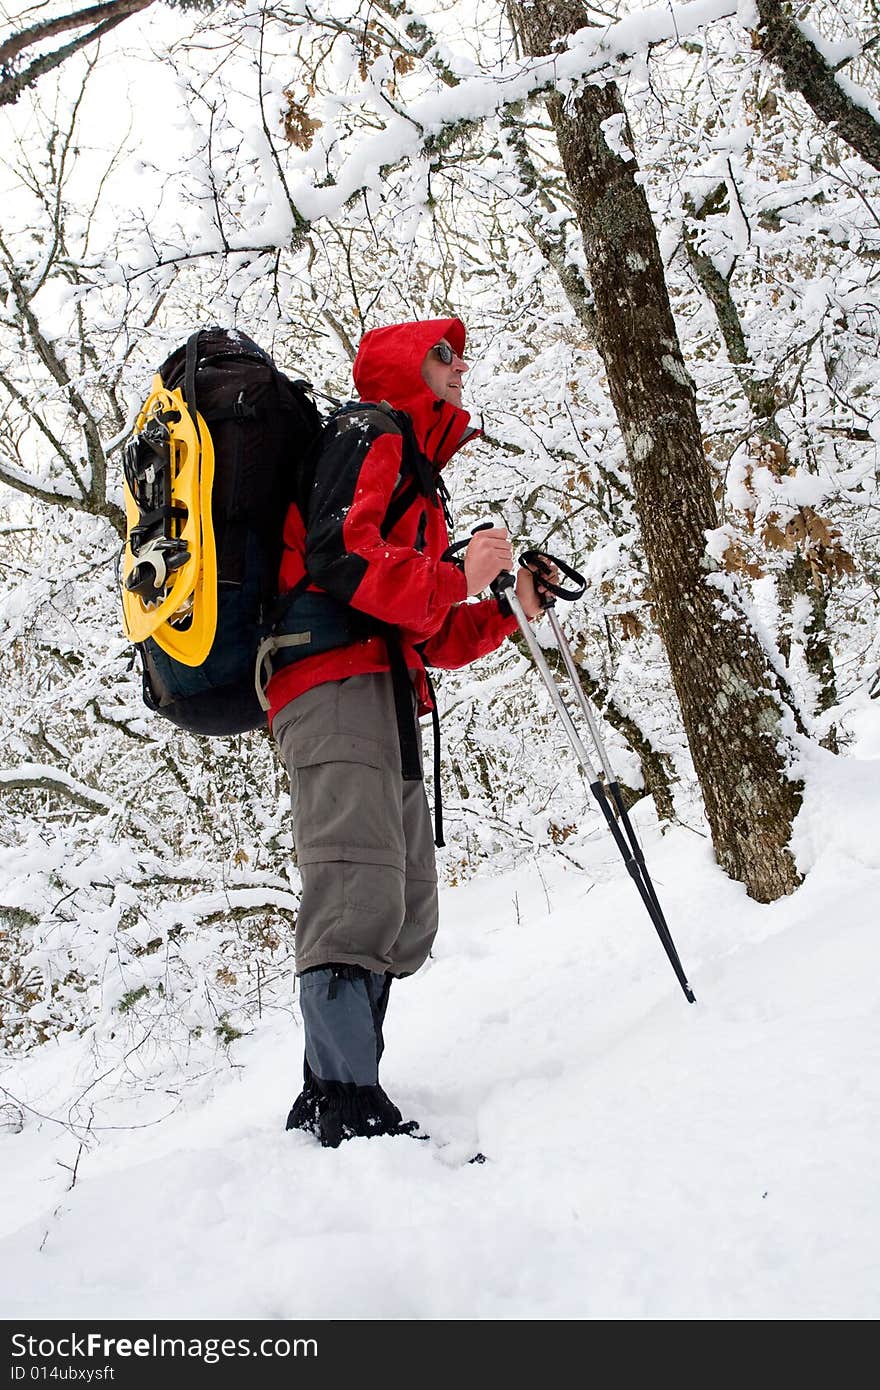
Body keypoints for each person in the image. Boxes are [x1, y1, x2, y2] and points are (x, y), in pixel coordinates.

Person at [266, 316, 554, 1148]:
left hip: (380, 683)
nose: (460, 367)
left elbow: (424, 630)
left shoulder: (418, 478)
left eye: (462, 354)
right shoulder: (368, 432)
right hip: (329, 679)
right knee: (355, 884)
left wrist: (502, 607)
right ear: (403, 365)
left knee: (401, 908)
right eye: (442, 354)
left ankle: (339, 1090)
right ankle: (346, 1105)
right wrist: (462, 571)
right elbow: (342, 560)